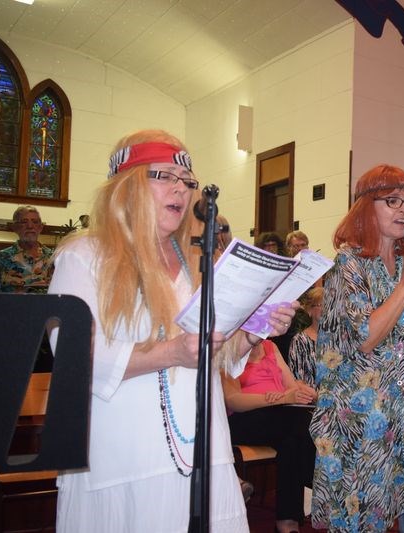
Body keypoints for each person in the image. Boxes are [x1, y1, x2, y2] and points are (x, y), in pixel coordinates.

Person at [47, 130, 297, 532]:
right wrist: (170, 353)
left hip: (203, 451)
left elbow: (213, 353)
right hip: (125, 457)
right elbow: (76, 356)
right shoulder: (84, 257)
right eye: (164, 176)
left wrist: (250, 333)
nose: (181, 190)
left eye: (187, 181)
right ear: (125, 187)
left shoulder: (195, 262)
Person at [309, 164, 404, 532]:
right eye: (392, 201)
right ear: (366, 207)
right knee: (364, 521)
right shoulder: (348, 266)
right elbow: (366, 337)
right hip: (365, 419)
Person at [222, 338, 317, 533]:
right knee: (299, 425)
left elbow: (291, 385)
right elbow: (233, 400)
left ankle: (287, 523)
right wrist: (275, 398)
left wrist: (293, 393)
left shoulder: (270, 347)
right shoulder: (229, 345)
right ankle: (314, 476)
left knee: (291, 442)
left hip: (280, 417)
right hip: (244, 419)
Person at [0, 205, 54, 293]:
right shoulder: (0, 259)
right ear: (15, 227)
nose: (30, 226)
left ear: (41, 227)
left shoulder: (53, 258)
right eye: (24, 222)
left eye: (35, 222)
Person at [288, 286, 323, 387]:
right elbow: (297, 380)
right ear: (309, 310)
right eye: (321, 305)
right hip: (311, 399)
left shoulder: (340, 339)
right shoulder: (299, 340)